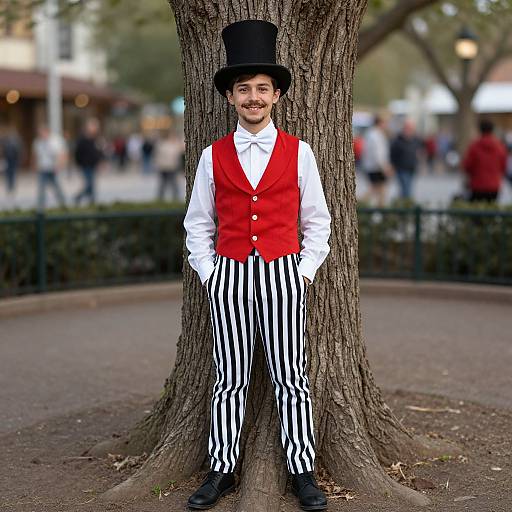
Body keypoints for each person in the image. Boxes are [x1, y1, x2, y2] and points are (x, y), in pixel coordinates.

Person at [183, 20, 331, 511]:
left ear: (277, 96)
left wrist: (302, 271)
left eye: (262, 89)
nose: (253, 97)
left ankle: (301, 470)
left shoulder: (300, 152)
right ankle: (222, 468)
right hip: (228, 273)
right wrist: (211, 272)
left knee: (291, 374)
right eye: (243, 89)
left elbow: (319, 222)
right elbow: (197, 223)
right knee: (229, 376)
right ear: (230, 97)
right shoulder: (212, 155)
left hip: (284, 271)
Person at [462, 119, 506, 203]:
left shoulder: (474, 146)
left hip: (477, 185)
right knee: (491, 211)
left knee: (477, 212)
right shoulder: (499, 147)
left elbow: (467, 166)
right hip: (494, 185)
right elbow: (503, 166)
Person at [32, 124, 67, 210]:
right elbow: (35, 155)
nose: (41, 135)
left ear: (47, 131)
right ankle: (41, 207)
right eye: (39, 133)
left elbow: (62, 154)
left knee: (57, 187)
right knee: (41, 188)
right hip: (43, 168)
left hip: (53, 168)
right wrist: (34, 165)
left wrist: (59, 165)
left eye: (42, 133)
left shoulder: (55, 140)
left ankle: (63, 204)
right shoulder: (37, 142)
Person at [360, 115, 392, 206]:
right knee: (378, 190)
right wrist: (385, 167)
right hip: (376, 167)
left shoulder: (371, 134)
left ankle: (378, 207)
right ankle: (362, 205)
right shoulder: (376, 135)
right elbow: (378, 154)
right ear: (380, 123)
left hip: (373, 166)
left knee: (377, 189)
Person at [390, 119, 422, 200]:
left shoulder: (415, 139)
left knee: (408, 189)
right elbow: (392, 154)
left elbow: (419, 150)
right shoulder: (398, 140)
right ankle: (406, 206)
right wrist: (393, 166)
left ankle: (403, 205)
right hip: (401, 169)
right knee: (406, 190)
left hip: (412, 168)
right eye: (408, 128)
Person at [74, 118, 104, 206]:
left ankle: (92, 202)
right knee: (89, 185)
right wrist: (79, 164)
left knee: (92, 185)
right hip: (85, 165)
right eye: (94, 126)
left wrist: (100, 161)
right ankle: (80, 197)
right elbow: (78, 153)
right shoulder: (82, 139)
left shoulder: (95, 139)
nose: (95, 128)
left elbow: (98, 152)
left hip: (93, 165)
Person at [154, 128, 185, 201]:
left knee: (174, 184)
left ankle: (175, 198)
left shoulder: (174, 144)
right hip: (164, 167)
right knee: (163, 184)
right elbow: (157, 155)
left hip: (172, 167)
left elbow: (182, 150)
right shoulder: (162, 144)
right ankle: (160, 198)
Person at [1, 126, 22, 204]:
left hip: (13, 160)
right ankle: (9, 188)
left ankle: (12, 188)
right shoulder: (5, 141)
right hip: (7, 160)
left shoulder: (16, 141)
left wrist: (19, 159)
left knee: (12, 175)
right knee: (7, 175)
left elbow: (19, 151)